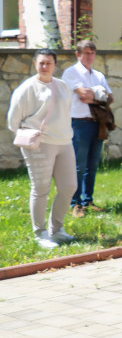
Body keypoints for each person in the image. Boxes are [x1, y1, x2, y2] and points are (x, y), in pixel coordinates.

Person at [6, 49, 77, 249]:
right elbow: (13, 121)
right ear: (35, 64)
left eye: (49, 63)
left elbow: (66, 111)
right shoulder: (27, 88)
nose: (45, 66)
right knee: (41, 189)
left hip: (64, 142)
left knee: (69, 187)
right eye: (41, 63)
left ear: (55, 65)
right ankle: (40, 233)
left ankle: (57, 229)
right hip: (39, 143)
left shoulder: (62, 86)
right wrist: (32, 132)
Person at [62, 39, 113, 217]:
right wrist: (97, 95)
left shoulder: (98, 75)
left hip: (96, 123)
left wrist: (94, 97)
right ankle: (74, 203)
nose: (90, 56)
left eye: (92, 53)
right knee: (78, 165)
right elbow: (83, 94)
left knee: (92, 164)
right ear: (78, 54)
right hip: (79, 123)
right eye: (86, 53)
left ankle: (87, 200)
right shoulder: (71, 72)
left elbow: (109, 98)